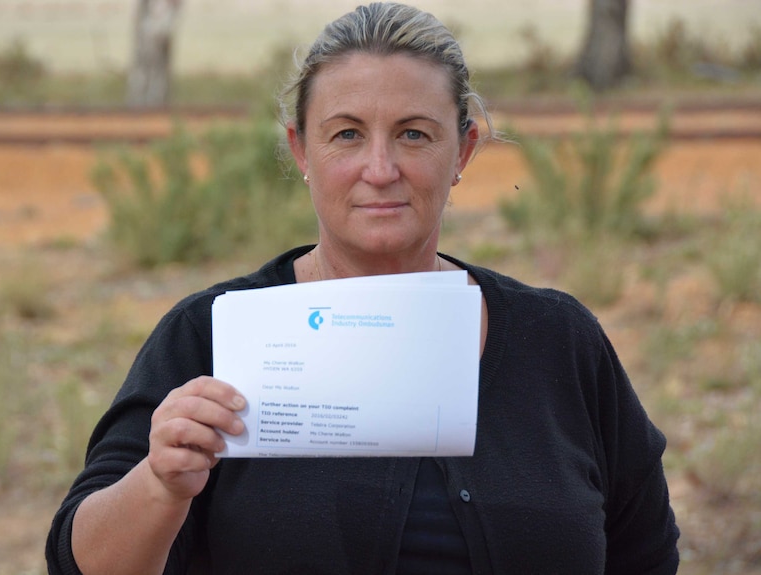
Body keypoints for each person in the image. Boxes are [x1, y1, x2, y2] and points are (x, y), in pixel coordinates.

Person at [46, 3, 680, 574]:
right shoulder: (211, 335)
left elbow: (647, 554)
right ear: (301, 150)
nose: (380, 170)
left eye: (414, 133)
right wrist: (160, 483)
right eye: (347, 134)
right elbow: (80, 565)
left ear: (462, 150)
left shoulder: (560, 342)